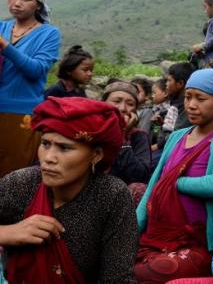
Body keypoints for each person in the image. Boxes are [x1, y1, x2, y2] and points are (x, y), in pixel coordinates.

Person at [0, 96, 137, 283]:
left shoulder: (111, 195)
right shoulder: (20, 183)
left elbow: (117, 277)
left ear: (96, 155)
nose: (48, 158)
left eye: (64, 148)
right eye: (46, 144)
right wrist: (7, 233)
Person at [135, 69, 213, 283]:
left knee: (152, 272)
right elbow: (153, 187)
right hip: (157, 236)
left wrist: (175, 182)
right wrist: (130, 232)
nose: (191, 104)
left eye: (200, 98)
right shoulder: (177, 136)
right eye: (188, 96)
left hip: (199, 244)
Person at [0, 0, 61, 177]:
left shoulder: (49, 34)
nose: (16, 3)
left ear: (38, 5)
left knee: (13, 175)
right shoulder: (2, 28)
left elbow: (36, 70)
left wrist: (6, 47)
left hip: (22, 114)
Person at [102, 81, 152, 185]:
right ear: (103, 103)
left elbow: (140, 177)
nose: (123, 108)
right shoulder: (91, 130)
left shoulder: (138, 136)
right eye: (116, 101)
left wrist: (122, 135)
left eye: (130, 104)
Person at [167, 62, 195, 131]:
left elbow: (177, 133)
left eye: (169, 80)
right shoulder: (175, 101)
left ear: (180, 83)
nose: (166, 84)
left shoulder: (186, 106)